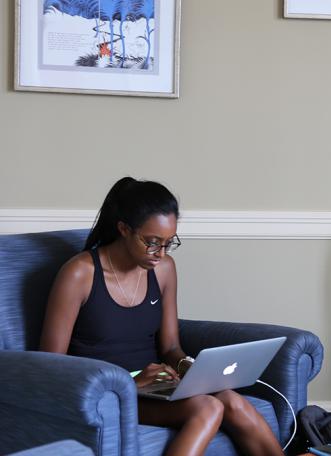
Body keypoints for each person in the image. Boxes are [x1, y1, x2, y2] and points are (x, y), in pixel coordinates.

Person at [40, 177, 284, 456]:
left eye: (169, 243)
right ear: (124, 229)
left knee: (232, 401)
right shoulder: (79, 273)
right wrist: (129, 384)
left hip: (155, 386)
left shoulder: (164, 269)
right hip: (109, 395)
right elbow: (51, 366)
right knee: (208, 407)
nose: (161, 254)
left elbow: (169, 347)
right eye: (152, 243)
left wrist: (188, 368)